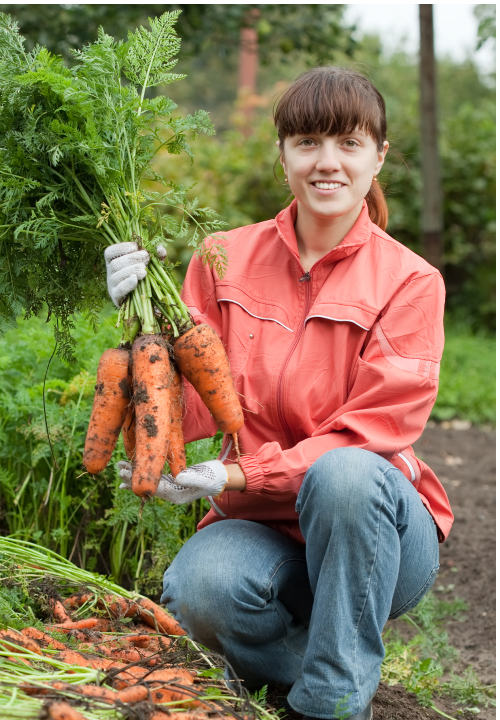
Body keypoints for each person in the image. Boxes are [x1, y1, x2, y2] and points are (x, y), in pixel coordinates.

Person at [104, 67, 453, 720]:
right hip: (265, 531)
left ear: (378, 156)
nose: (328, 162)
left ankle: (331, 704)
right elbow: (185, 407)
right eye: (308, 142)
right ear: (283, 153)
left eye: (349, 144)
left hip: (376, 533)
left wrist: (235, 472)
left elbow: (370, 434)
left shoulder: (410, 282)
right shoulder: (222, 257)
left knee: (345, 472)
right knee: (200, 592)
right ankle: (330, 659)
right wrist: (137, 323)